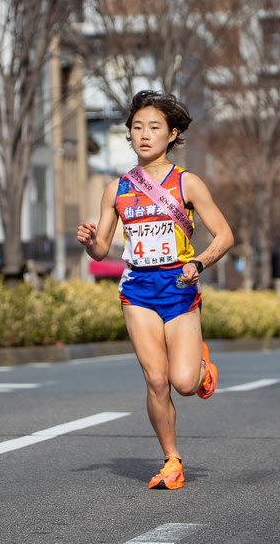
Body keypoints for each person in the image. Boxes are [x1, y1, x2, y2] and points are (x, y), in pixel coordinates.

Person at [76, 90, 233, 490]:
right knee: (157, 381)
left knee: (183, 382)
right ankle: (171, 459)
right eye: (137, 127)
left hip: (180, 287)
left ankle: (200, 368)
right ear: (129, 134)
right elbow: (100, 252)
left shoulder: (188, 183)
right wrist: (91, 241)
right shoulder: (117, 189)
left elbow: (225, 236)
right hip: (138, 288)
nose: (144, 134)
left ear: (172, 133)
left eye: (154, 128)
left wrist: (198, 263)